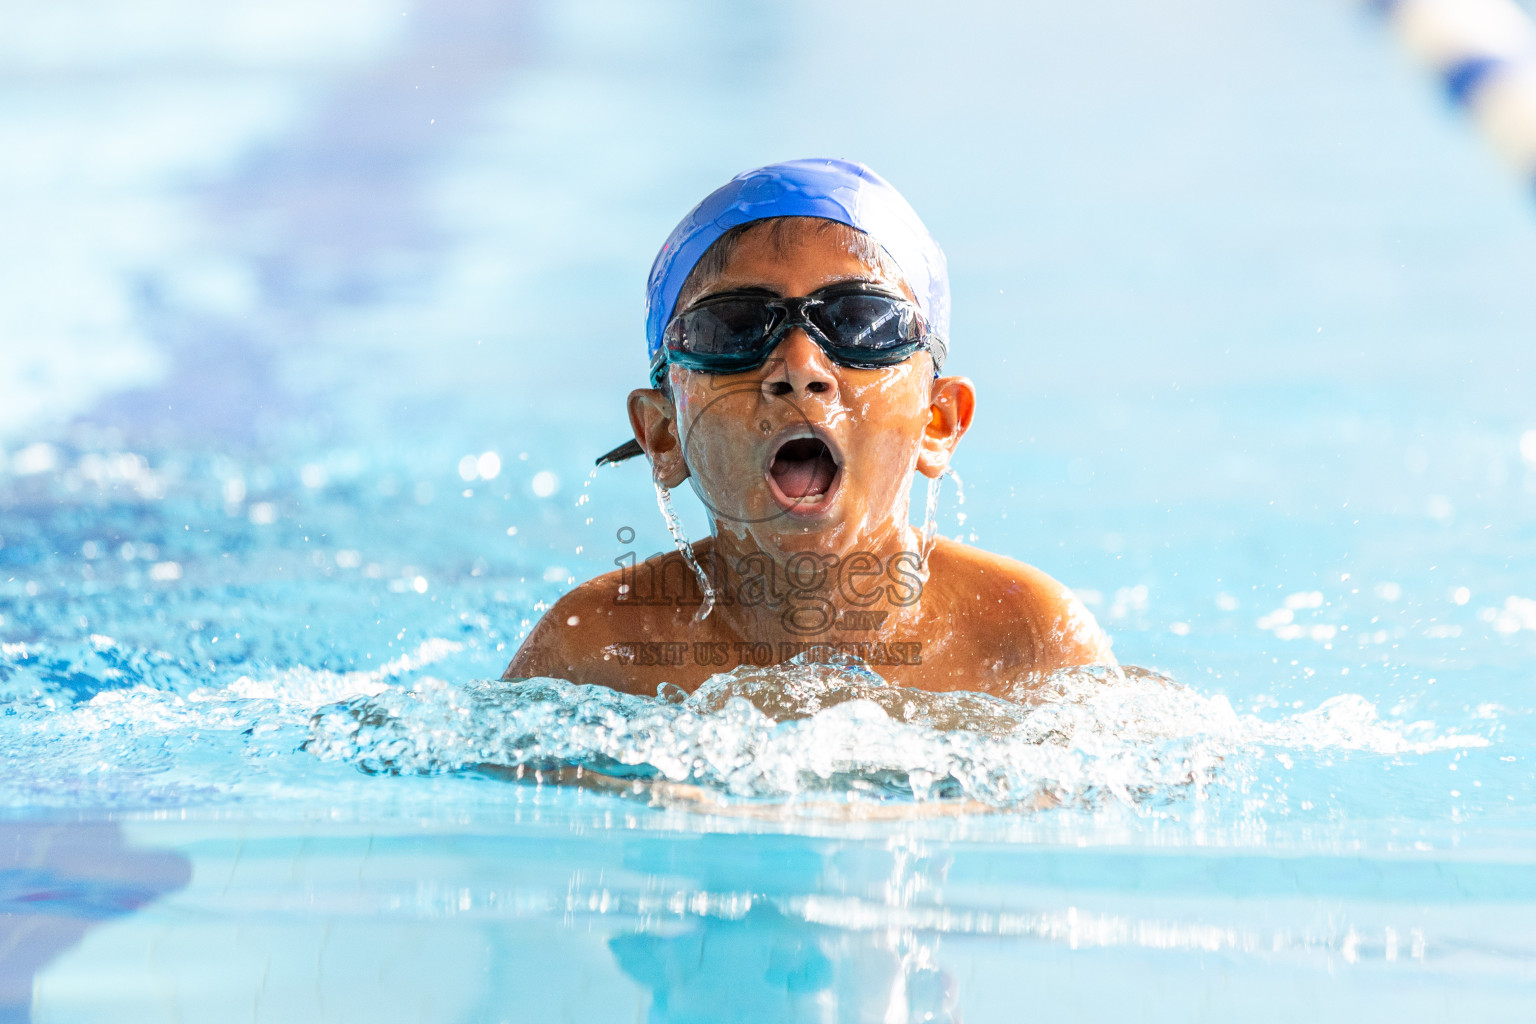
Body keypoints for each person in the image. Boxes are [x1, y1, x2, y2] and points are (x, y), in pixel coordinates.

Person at [504, 158, 1114, 694]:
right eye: (733, 328)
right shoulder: (594, 649)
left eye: (862, 324)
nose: (799, 368)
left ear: (938, 422)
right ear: (664, 433)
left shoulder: (1026, 636)